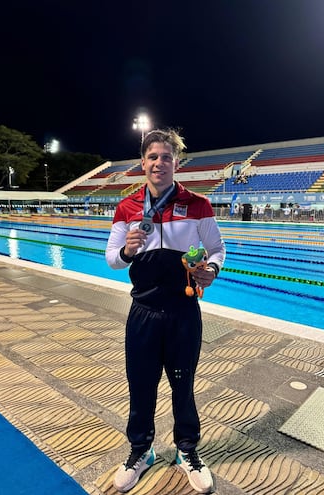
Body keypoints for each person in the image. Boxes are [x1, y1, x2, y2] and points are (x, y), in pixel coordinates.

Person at [106, 128, 225, 494]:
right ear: (143, 163)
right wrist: (127, 250)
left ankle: (187, 450)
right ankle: (141, 450)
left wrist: (212, 270)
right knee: (141, 385)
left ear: (176, 163)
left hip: (183, 312)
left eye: (167, 157)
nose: (160, 162)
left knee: (182, 384)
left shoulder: (198, 204)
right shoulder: (126, 207)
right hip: (143, 312)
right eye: (153, 156)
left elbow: (218, 249)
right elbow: (111, 260)